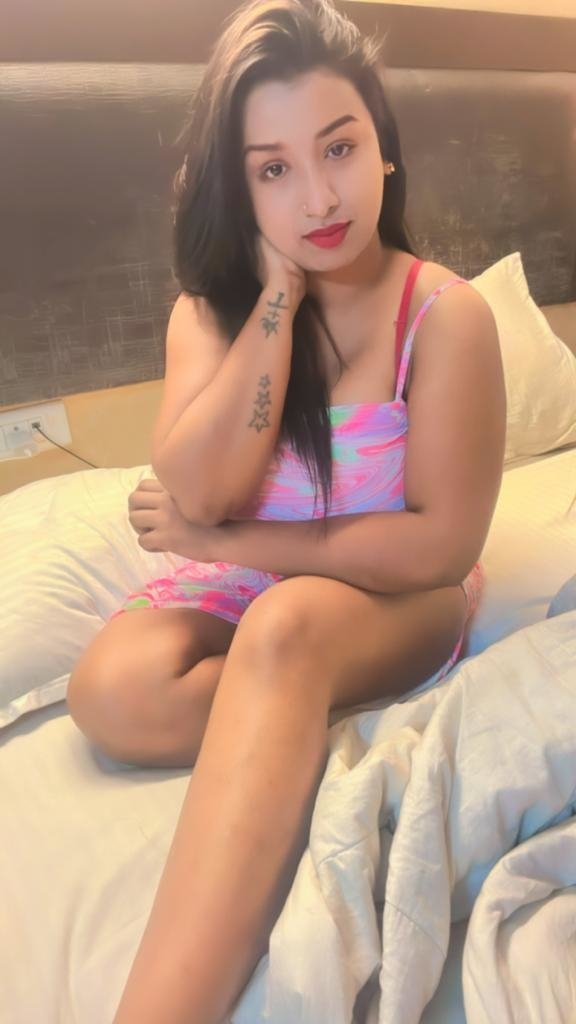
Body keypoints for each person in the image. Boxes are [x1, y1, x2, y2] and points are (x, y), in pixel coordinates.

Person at [67, 0, 506, 1020]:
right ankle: (292, 706)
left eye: (339, 148)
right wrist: (277, 301)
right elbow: (202, 490)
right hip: (250, 586)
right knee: (112, 693)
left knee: (286, 625)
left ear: (382, 146)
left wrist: (222, 541)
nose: (318, 197)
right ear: (241, 187)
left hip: (398, 592)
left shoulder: (446, 315)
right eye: (274, 169)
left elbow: (441, 546)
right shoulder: (208, 314)